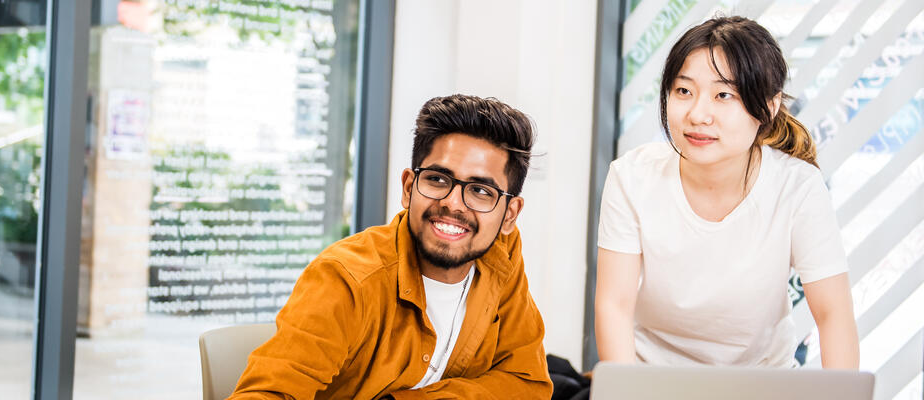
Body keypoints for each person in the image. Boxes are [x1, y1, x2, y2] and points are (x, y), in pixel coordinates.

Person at [230, 94, 552, 399]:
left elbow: (528, 384)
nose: (453, 204)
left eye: (481, 191)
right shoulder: (346, 280)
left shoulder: (498, 254)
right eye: (438, 180)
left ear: (509, 215)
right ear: (409, 187)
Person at [595, 16, 859, 369]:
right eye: (683, 91)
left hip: (764, 385)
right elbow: (614, 305)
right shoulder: (631, 176)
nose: (698, 114)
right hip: (653, 381)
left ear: (769, 105)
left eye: (723, 95)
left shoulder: (797, 187)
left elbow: (833, 314)